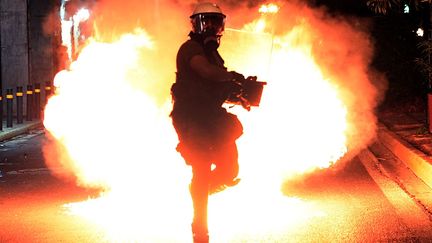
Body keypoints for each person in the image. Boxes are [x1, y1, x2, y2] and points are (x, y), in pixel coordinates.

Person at [170, 2, 246, 243]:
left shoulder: (213, 53)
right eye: (206, 21)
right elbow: (206, 73)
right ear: (195, 24)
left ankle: (200, 190)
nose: (211, 26)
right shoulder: (190, 49)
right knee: (201, 169)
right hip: (192, 119)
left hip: (212, 118)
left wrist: (240, 94)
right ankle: (200, 226)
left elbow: (216, 84)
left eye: (216, 21)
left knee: (230, 170)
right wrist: (232, 76)